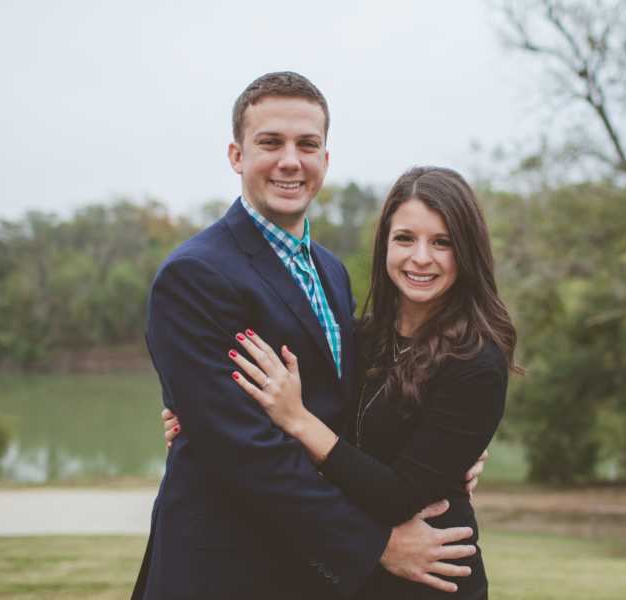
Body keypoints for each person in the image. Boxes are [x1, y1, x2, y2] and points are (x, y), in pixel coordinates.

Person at [132, 72, 482, 600]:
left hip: (308, 572)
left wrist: (441, 453)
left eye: (307, 144)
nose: (290, 160)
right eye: (270, 142)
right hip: (225, 567)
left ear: (325, 158)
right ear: (236, 155)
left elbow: (350, 403)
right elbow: (244, 451)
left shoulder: (330, 270)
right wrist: (375, 543)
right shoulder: (195, 275)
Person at [164, 166, 519, 598]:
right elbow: (324, 420)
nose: (421, 257)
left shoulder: (476, 359)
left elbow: (398, 495)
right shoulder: (362, 337)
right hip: (354, 576)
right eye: (405, 238)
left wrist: (298, 420)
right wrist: (203, 419)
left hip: (431, 574)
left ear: (467, 251)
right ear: (384, 244)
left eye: (442, 242)